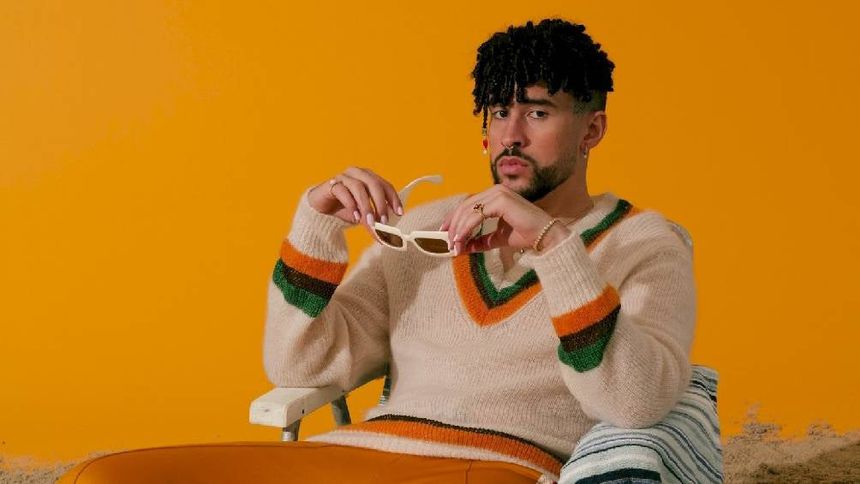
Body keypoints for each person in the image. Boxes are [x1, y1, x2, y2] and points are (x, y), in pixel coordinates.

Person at [59, 18, 696, 484]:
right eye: (498, 112)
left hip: (499, 465)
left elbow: (635, 402)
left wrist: (554, 247)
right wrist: (316, 226)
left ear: (592, 129)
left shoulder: (646, 243)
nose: (510, 135)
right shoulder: (425, 228)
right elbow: (301, 367)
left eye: (537, 113)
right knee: (100, 478)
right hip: (359, 454)